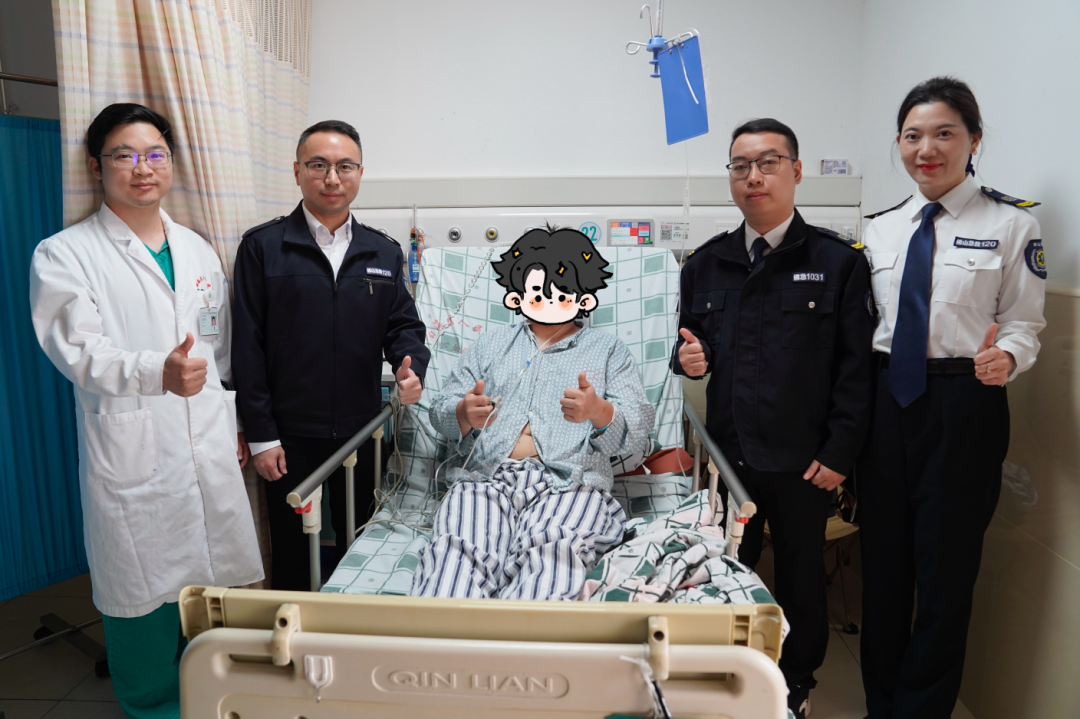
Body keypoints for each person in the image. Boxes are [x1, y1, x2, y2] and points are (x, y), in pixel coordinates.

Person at [29, 103, 263, 719]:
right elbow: (78, 351)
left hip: (208, 435)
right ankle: (154, 708)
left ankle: (218, 700)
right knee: (141, 593)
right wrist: (156, 371)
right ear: (96, 166)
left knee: (215, 591)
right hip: (132, 449)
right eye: (124, 155)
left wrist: (236, 422)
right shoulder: (64, 253)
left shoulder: (197, 250)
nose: (142, 168)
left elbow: (218, 348)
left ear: (171, 164)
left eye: (155, 153)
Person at [671, 118, 874, 718]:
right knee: (722, 572)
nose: (753, 177)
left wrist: (839, 453)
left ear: (796, 171)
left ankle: (795, 684)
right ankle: (728, 677)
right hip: (729, 459)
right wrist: (690, 359)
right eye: (741, 166)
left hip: (803, 461)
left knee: (801, 578)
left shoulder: (837, 262)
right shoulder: (705, 265)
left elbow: (856, 370)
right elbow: (691, 349)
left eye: (767, 163)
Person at [857, 77, 1046, 719]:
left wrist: (1008, 357)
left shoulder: (1012, 225)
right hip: (886, 402)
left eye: (944, 133)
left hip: (965, 401)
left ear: (974, 140)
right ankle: (882, 705)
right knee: (883, 569)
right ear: (899, 144)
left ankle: (922, 710)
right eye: (913, 136)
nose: (927, 149)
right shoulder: (880, 229)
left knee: (946, 575)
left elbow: (1024, 324)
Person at [232, 120, 429, 590]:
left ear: (360, 173)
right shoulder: (263, 248)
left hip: (363, 431)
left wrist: (411, 368)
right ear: (297, 171)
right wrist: (261, 436)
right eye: (318, 165)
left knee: (363, 546)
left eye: (345, 166)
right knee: (293, 552)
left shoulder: (382, 251)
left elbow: (404, 326)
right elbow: (247, 345)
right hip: (288, 437)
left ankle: (356, 629)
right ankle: (295, 628)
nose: (332, 178)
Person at [410, 227, 655, 600]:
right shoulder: (491, 345)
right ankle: (446, 635)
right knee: (455, 552)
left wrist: (599, 411)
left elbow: (638, 430)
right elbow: (441, 409)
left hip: (571, 485)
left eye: (562, 293)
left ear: (584, 296)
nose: (548, 301)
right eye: (538, 293)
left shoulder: (607, 350)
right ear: (517, 293)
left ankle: (528, 635)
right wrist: (463, 412)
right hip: (485, 480)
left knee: (556, 554)